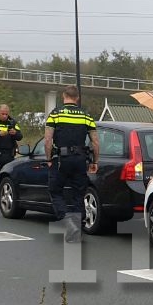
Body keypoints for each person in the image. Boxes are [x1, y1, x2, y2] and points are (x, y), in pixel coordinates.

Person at [44, 86, 100, 243]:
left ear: (64, 96)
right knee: (78, 195)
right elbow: (95, 141)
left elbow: (48, 139)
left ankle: (67, 221)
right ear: (77, 98)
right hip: (80, 160)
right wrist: (95, 161)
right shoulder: (86, 115)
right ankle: (76, 230)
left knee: (55, 191)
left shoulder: (55, 114)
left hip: (61, 160)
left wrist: (49, 159)